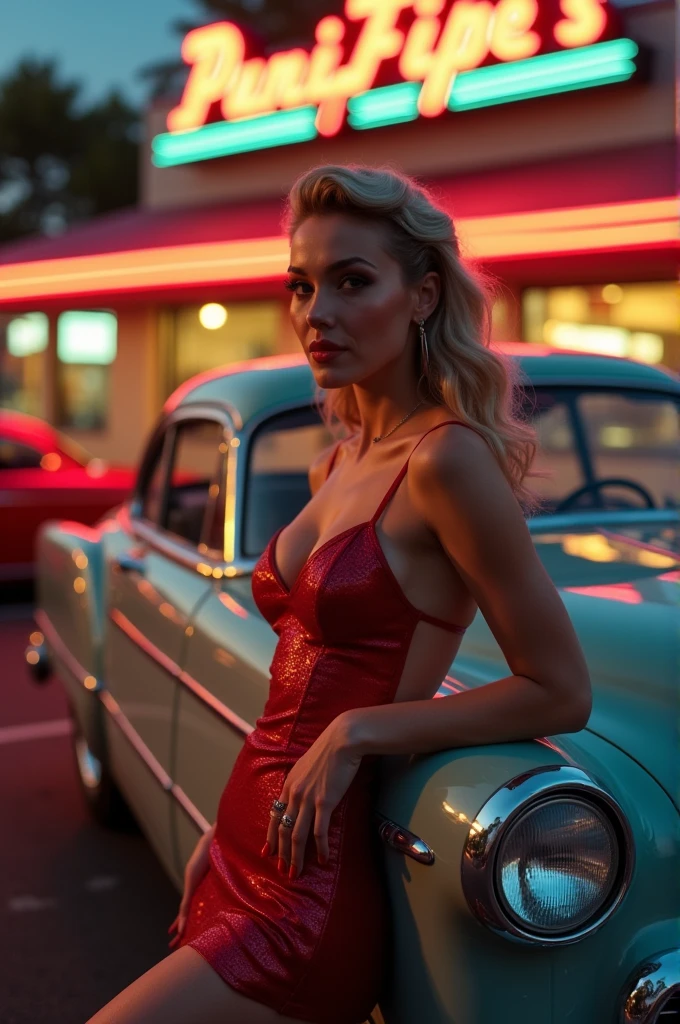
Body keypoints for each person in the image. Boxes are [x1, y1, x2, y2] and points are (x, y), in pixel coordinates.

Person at [85, 164, 591, 1024]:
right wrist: (224, 826)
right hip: (243, 847)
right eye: (301, 285)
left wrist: (362, 729)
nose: (316, 314)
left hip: (306, 894)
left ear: (423, 296)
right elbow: (295, 681)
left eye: (353, 281)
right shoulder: (340, 457)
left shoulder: (447, 461)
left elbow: (560, 688)